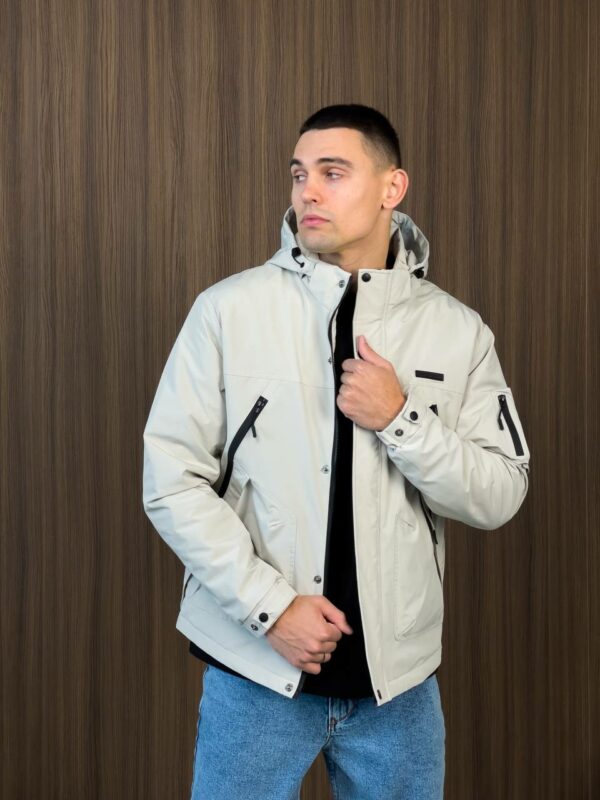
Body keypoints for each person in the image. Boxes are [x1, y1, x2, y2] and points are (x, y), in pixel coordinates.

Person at [142, 103, 530, 799]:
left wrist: (401, 419)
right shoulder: (229, 311)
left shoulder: (458, 332)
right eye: (299, 174)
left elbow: (501, 492)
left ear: (391, 187)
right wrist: (270, 608)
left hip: (399, 690)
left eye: (333, 172)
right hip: (255, 673)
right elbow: (171, 481)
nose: (308, 192)